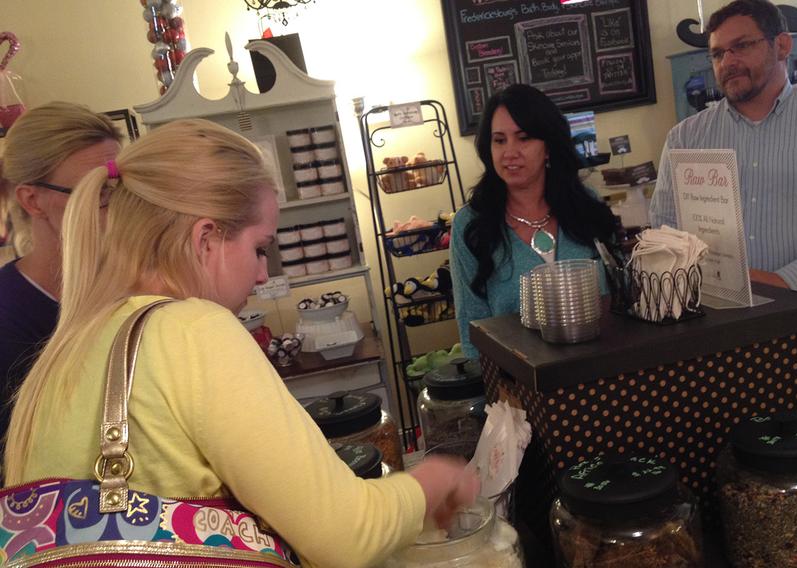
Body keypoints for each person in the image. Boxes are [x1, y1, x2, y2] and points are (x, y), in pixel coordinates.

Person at [3, 119, 478, 567]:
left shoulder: (71, 345)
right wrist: (430, 482)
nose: (262, 273)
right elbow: (349, 536)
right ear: (205, 238)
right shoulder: (191, 331)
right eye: (258, 248)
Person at [649, 0, 797, 322]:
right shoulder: (685, 138)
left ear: (782, 45)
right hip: (718, 312)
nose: (728, 62)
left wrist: (787, 281)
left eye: (742, 46)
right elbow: (666, 224)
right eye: (718, 54)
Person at [450, 84, 620, 359]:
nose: (510, 152)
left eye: (524, 137)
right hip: (519, 389)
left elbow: (618, 304)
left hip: (599, 378)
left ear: (549, 146)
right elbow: (472, 338)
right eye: (499, 140)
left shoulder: (586, 207)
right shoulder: (471, 226)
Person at [0, 102, 122, 449]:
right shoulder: (7, 317)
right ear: (33, 201)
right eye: (95, 192)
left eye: (117, 188)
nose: (115, 207)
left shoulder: (133, 287)